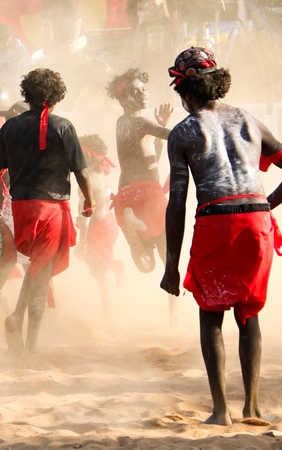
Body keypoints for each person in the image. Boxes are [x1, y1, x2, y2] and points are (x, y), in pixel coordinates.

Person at [161, 47, 282, 426]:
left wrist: (171, 266)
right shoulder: (248, 119)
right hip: (256, 222)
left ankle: (220, 411)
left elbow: (177, 203)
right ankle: (252, 406)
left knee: (211, 316)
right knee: (249, 314)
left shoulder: (184, 131)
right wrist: (266, 205)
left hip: (217, 221)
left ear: (186, 91)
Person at [0, 68, 94, 354]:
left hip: (22, 208)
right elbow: (81, 171)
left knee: (36, 267)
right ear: (57, 96)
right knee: (41, 273)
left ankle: (14, 317)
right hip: (51, 209)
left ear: (27, 94)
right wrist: (89, 200)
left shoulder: (9, 127)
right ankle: (29, 347)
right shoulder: (64, 126)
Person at [107, 68, 172, 273]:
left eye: (144, 89)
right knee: (167, 258)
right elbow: (177, 137)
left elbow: (150, 154)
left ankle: (134, 235)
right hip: (148, 193)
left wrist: (161, 126)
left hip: (125, 196)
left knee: (146, 265)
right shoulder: (141, 122)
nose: (143, 94)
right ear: (123, 99)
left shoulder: (122, 122)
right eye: (135, 92)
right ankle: (175, 303)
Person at [74, 134, 122, 319]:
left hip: (98, 226)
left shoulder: (90, 179)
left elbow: (87, 214)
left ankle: (107, 316)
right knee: (97, 268)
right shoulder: (98, 173)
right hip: (106, 223)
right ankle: (114, 266)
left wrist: (82, 242)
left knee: (99, 272)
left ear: (90, 156)